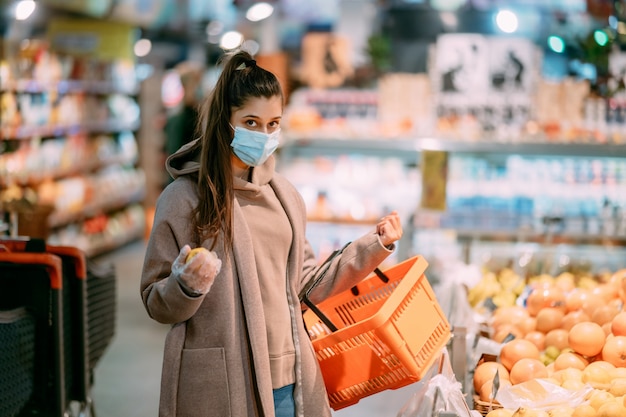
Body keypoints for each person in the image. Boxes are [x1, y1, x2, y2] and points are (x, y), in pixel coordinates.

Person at [140, 50, 403, 417]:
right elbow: (156, 301)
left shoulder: (285, 197)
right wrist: (186, 284)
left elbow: (307, 283)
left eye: (273, 124)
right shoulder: (185, 199)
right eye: (251, 122)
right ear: (224, 122)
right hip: (224, 384)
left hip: (291, 381)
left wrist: (373, 246)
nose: (263, 135)